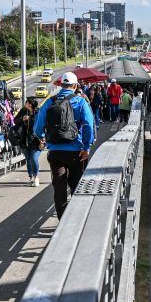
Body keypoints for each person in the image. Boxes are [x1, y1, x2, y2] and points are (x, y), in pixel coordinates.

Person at [33, 72, 95, 218]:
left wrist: (43, 138)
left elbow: (37, 128)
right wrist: (86, 147)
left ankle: (62, 221)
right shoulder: (80, 102)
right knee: (77, 186)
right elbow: (89, 126)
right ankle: (76, 218)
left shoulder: (49, 102)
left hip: (55, 152)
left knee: (59, 188)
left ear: (61, 85)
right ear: (74, 86)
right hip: (76, 152)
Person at [14, 97, 43, 187]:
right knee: (28, 159)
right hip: (24, 140)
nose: (25, 103)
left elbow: (44, 124)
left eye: (26, 102)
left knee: (34, 159)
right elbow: (15, 121)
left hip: (36, 140)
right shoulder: (23, 111)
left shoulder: (39, 112)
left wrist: (43, 138)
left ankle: (36, 176)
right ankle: (31, 176)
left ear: (30, 104)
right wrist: (22, 119)